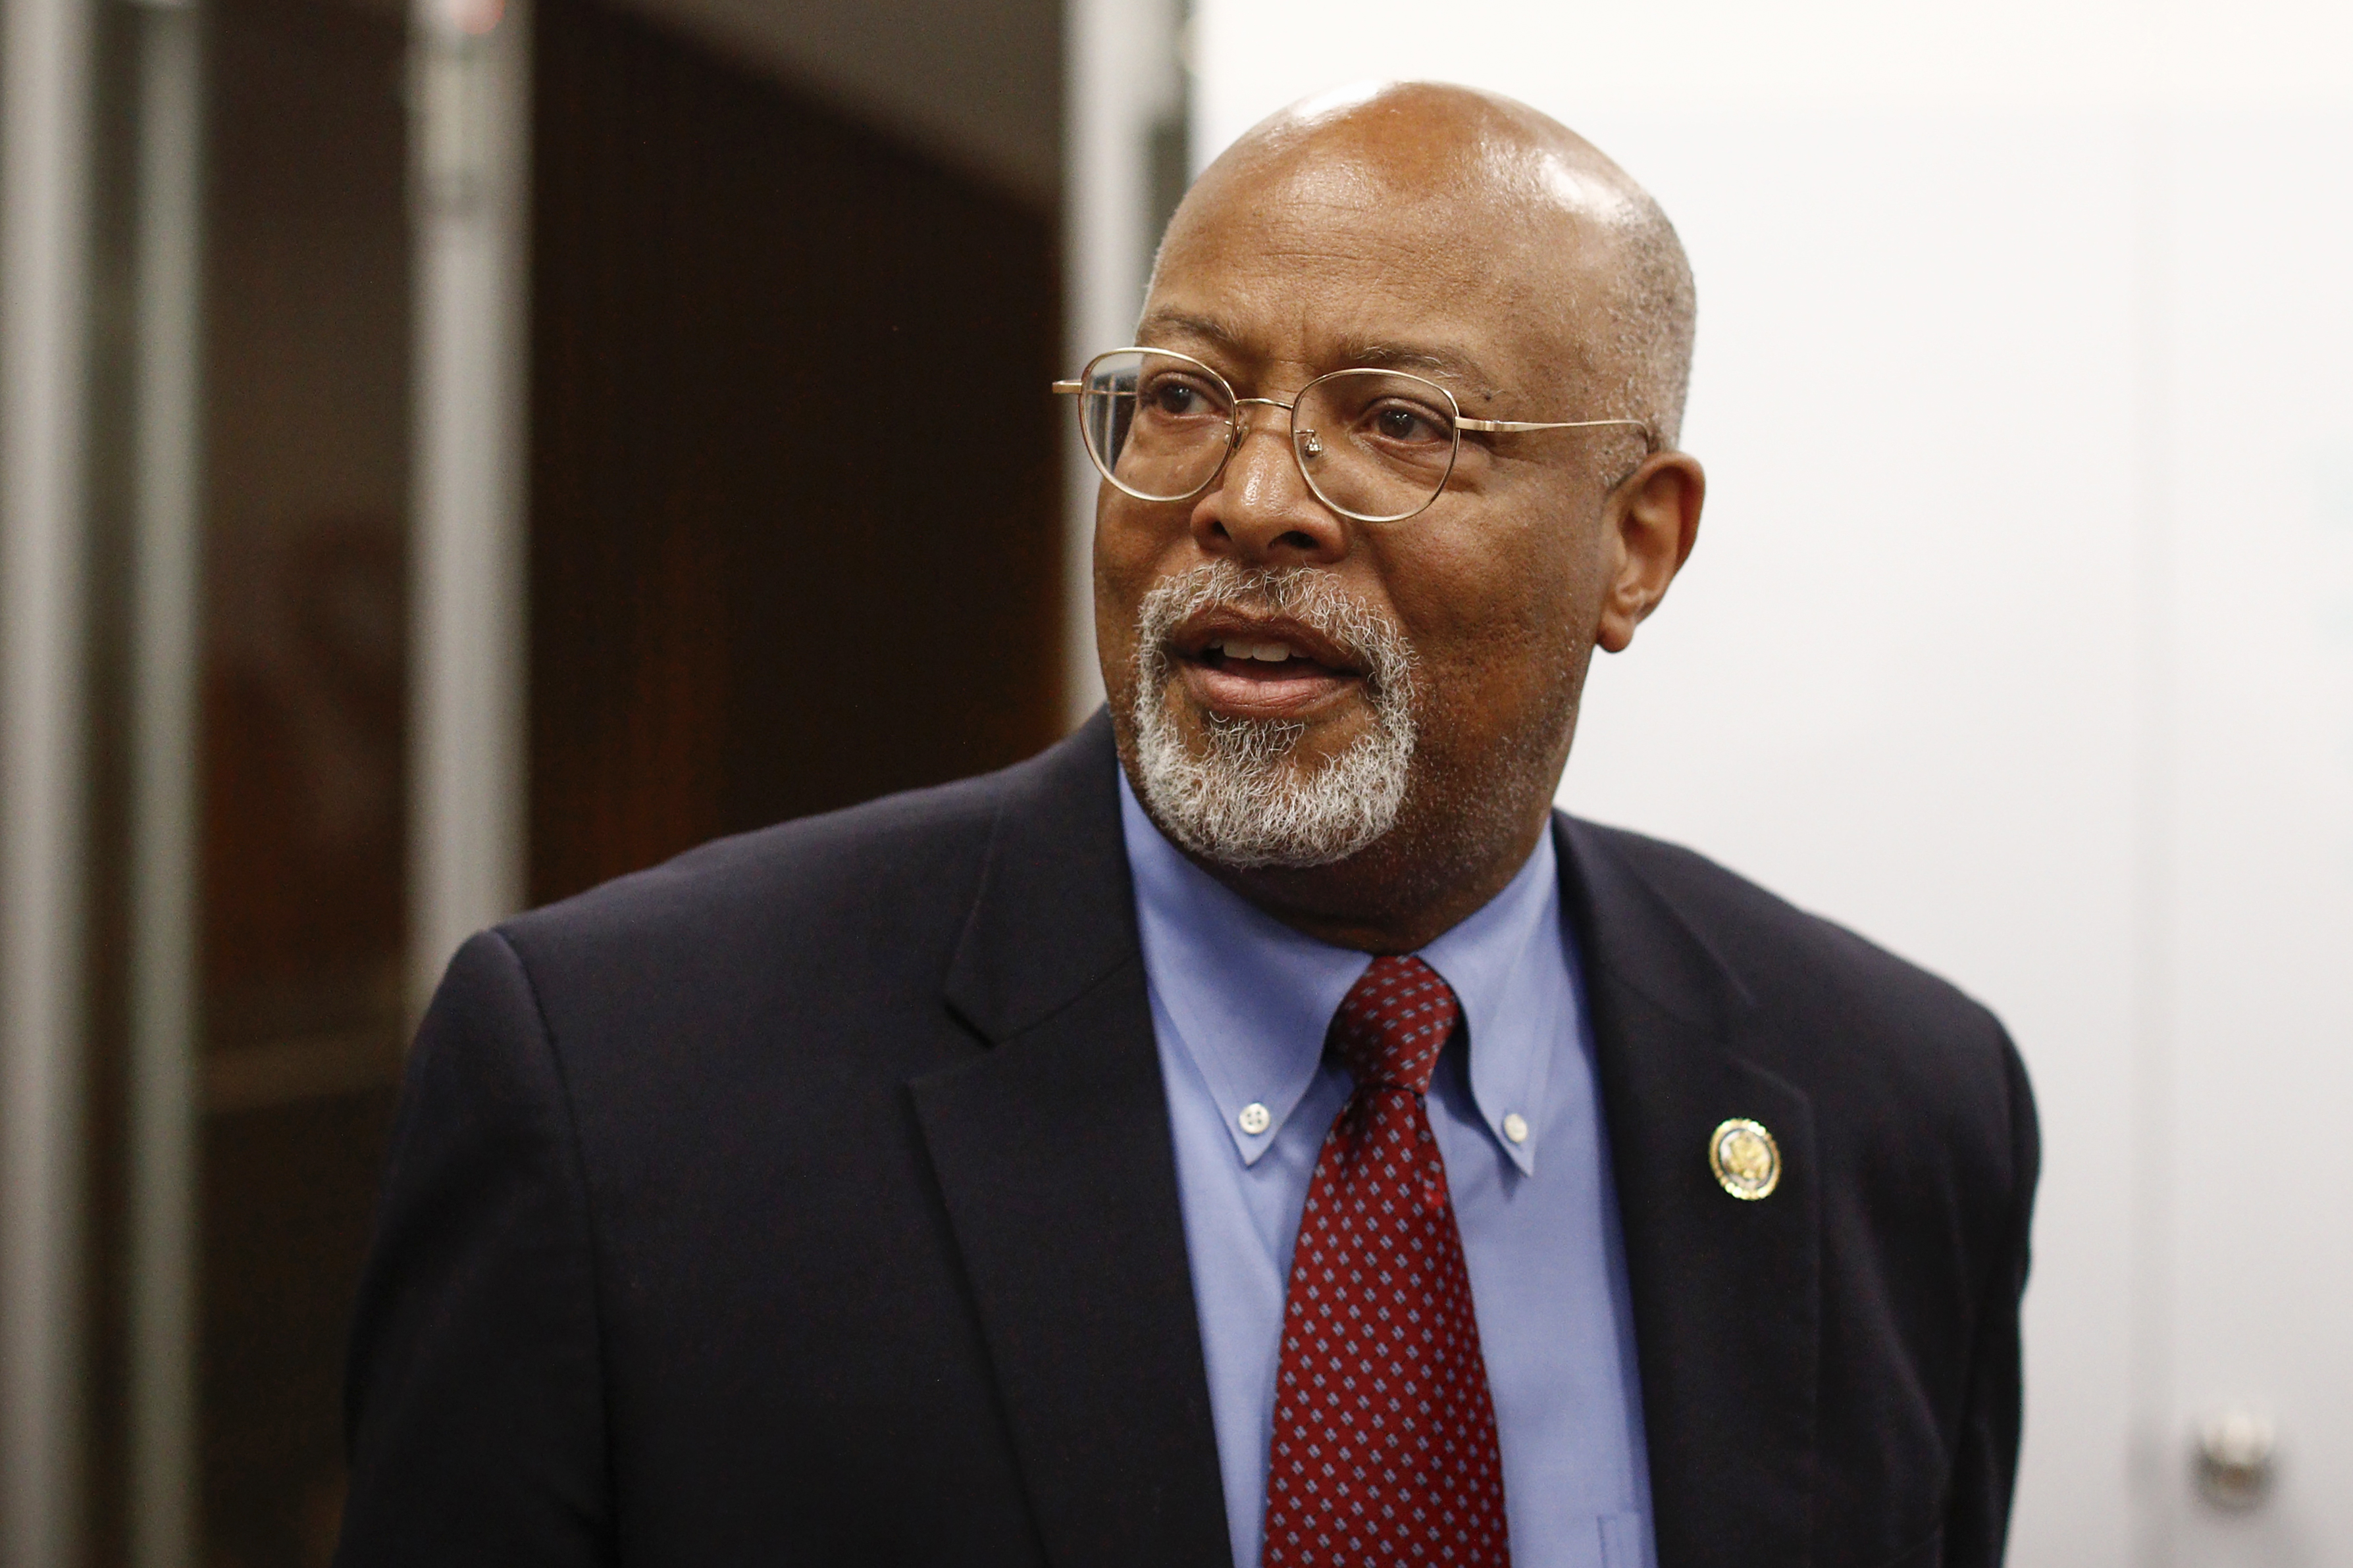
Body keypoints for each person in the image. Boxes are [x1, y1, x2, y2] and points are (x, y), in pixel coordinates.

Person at [335, 81, 2036, 1568]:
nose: (1252, 500)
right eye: (1182, 398)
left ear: (1638, 545)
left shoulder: (1897, 1108)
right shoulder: (626, 1089)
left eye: (1399, 422)